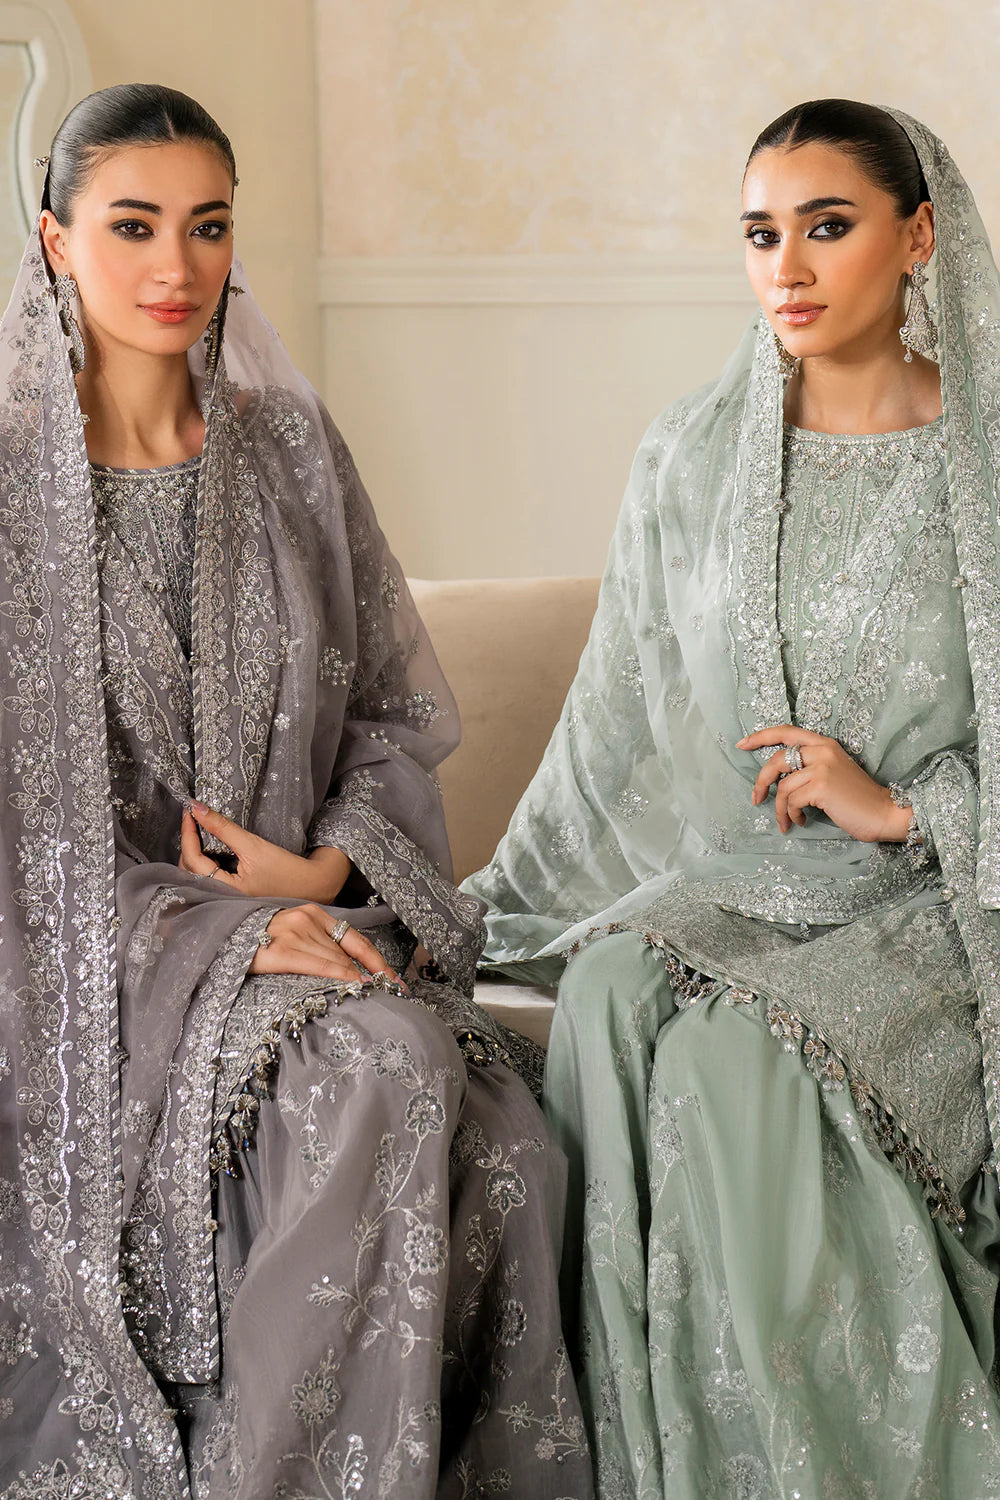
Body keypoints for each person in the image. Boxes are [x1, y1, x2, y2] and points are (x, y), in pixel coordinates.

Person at [0, 84, 592, 1500]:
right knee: (381, 1068)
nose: (176, 266)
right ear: (55, 242)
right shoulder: (13, 493)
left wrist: (324, 872)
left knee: (509, 1137)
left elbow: (390, 710)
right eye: (133, 226)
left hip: (322, 924)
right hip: (98, 976)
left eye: (208, 226)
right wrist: (224, 935)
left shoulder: (289, 452)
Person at [466, 101, 1000, 1496]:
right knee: (605, 991)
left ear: (919, 236)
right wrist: (450, 907)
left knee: (729, 1062)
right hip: (746, 880)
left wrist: (907, 809)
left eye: (828, 226)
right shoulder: (691, 454)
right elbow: (609, 723)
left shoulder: (989, 462)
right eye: (762, 234)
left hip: (935, 900)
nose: (789, 267)